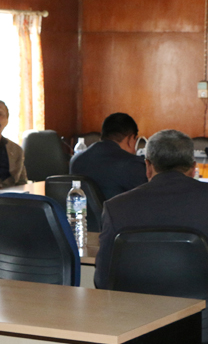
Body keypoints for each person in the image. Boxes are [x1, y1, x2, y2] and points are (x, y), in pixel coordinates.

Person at [94, 130, 208, 289]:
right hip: (201, 311)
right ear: (194, 168)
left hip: (137, 310)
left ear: (148, 166)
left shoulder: (116, 207)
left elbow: (103, 279)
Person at [69, 113, 146, 200]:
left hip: (81, 213)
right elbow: (147, 198)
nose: (134, 150)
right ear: (130, 139)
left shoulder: (75, 160)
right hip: (118, 213)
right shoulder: (132, 164)